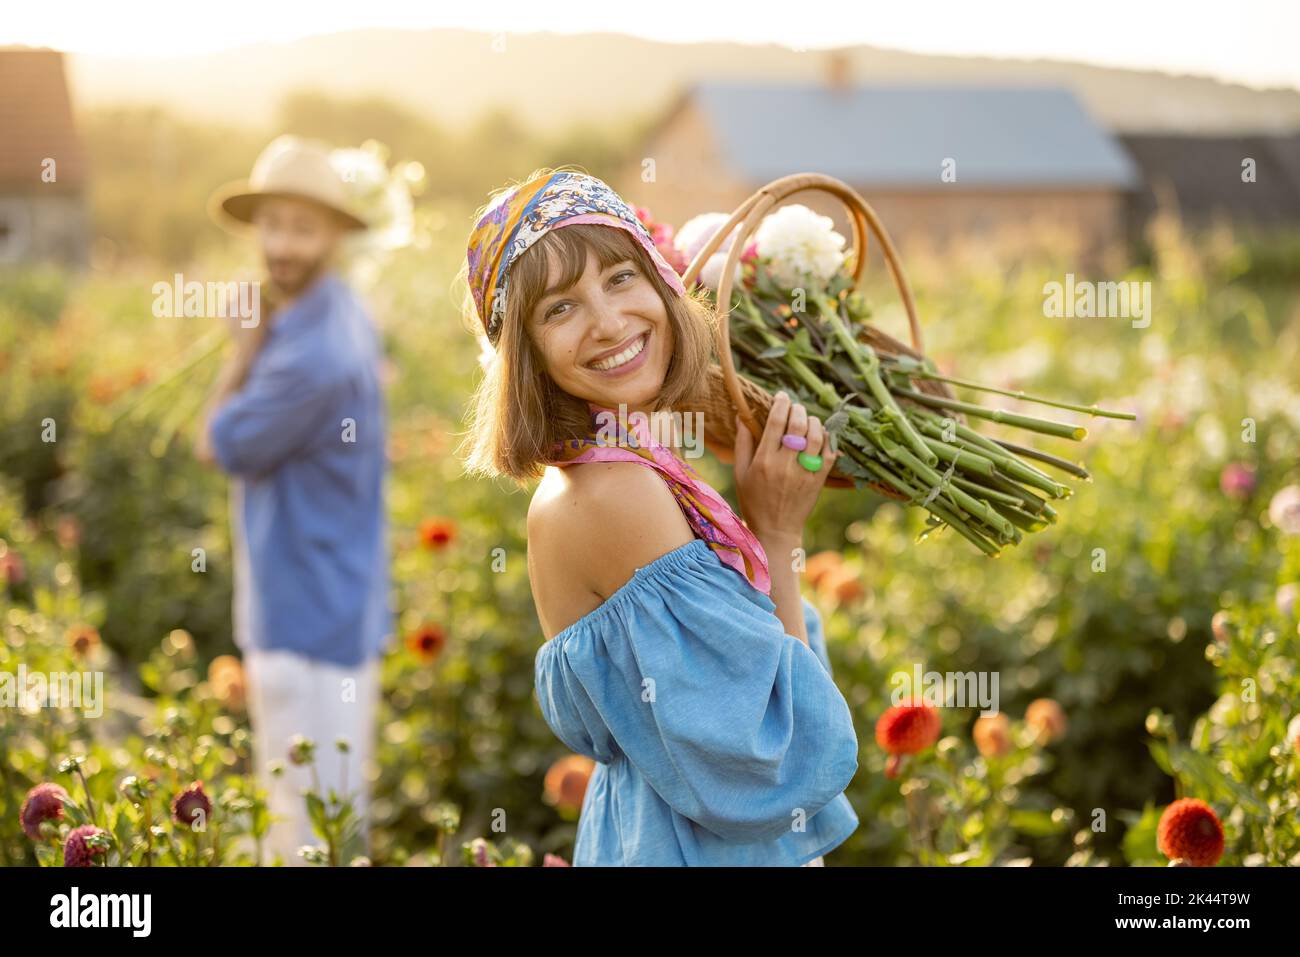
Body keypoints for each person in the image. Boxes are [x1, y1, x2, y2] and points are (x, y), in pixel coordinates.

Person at [460, 167, 860, 866]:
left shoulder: (637, 461)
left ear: (661, 284)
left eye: (620, 278)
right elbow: (779, 752)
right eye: (560, 308)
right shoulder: (614, 495)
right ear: (525, 355)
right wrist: (778, 533)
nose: (610, 321)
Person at [197, 135, 391, 865]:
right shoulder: (339, 310)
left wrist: (241, 351)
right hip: (336, 595)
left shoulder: (307, 354)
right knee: (331, 814)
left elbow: (213, 444)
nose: (279, 246)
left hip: (305, 619)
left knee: (306, 833)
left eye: (302, 228)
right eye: (271, 224)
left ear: (337, 234)